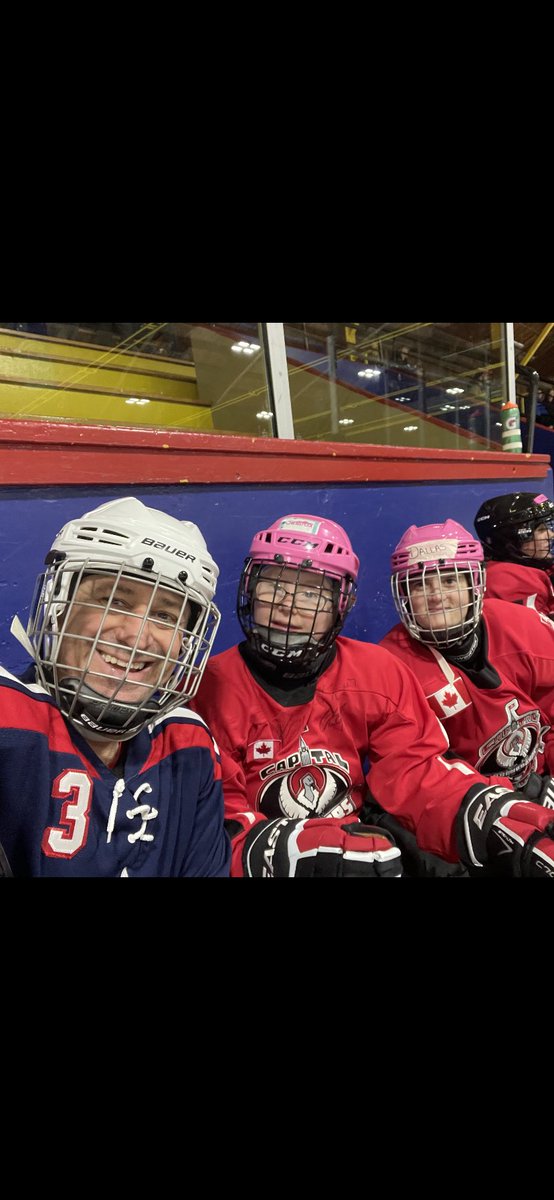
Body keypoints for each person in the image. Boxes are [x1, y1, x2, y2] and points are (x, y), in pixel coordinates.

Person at [190, 512, 554, 878]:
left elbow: (416, 770)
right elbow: (212, 823)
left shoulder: (376, 671)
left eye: (312, 591)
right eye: (275, 585)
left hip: (361, 849)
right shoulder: (208, 690)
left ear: (340, 603)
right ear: (250, 590)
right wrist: (270, 854)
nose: (289, 604)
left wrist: (478, 810)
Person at [0, 496, 231, 877]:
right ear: (60, 605)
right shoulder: (11, 724)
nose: (138, 637)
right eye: (114, 600)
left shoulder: (189, 745)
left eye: (164, 616)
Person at [368, 517, 554, 871]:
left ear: (475, 584)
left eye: (450, 580)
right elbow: (417, 777)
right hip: (472, 814)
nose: (437, 596)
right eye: (420, 586)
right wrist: (504, 804)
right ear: (404, 596)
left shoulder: (522, 625)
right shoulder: (388, 667)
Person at [474, 491, 554, 622]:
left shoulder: (532, 565)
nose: (551, 535)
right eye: (541, 530)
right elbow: (532, 635)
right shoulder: (510, 580)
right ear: (512, 539)